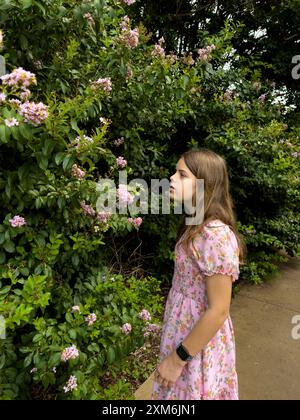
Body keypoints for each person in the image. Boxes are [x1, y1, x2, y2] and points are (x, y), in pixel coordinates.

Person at [151, 148, 247, 400]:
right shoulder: (194, 226)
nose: (171, 178)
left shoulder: (215, 235)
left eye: (182, 175)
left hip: (196, 346)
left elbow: (219, 310)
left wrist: (177, 359)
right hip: (183, 330)